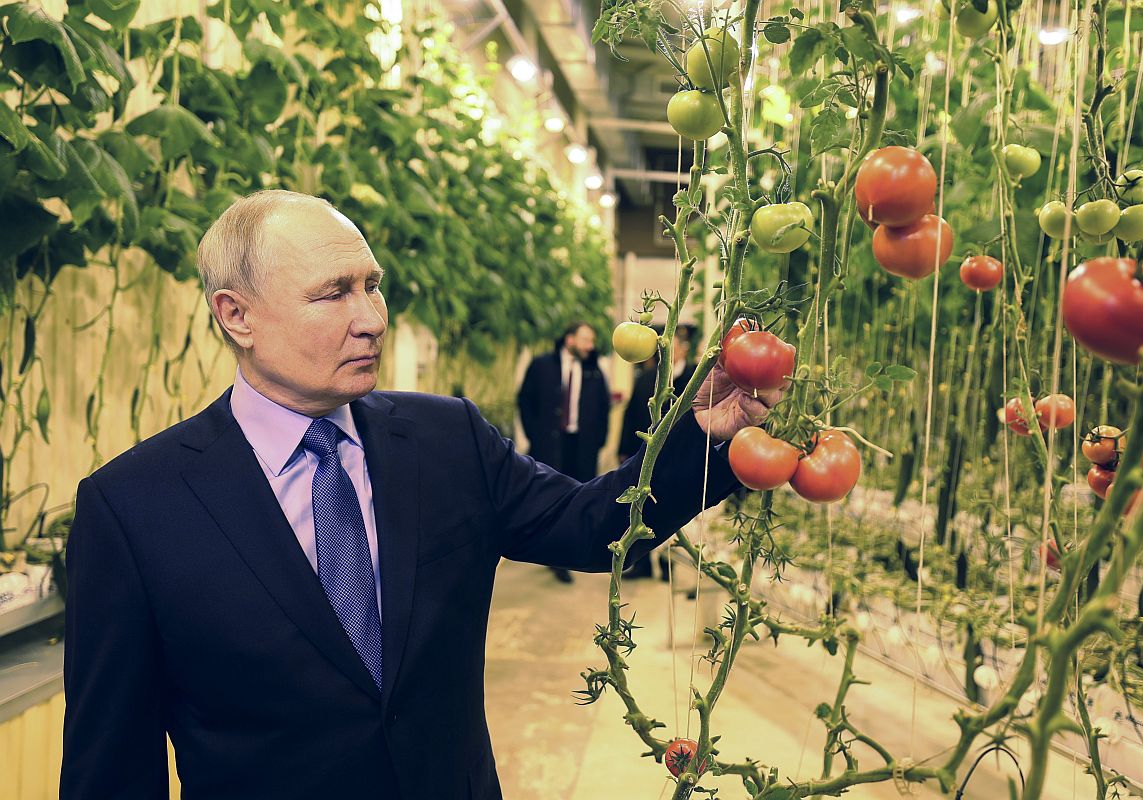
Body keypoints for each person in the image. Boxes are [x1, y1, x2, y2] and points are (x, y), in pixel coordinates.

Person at [61, 190, 780, 800]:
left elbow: (591, 525)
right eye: (333, 294)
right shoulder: (135, 509)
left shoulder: (445, 440)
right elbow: (111, 767)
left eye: (370, 285)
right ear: (236, 315)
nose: (371, 317)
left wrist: (701, 436)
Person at [517, 322, 611, 582]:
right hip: (549, 444)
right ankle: (549, 552)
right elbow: (525, 400)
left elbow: (603, 408)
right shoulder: (541, 365)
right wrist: (533, 434)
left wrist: (598, 440)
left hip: (581, 446)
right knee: (549, 498)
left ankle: (565, 553)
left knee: (578, 497)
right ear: (570, 339)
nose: (590, 346)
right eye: (585, 340)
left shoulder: (594, 371)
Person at [619, 324, 696, 581]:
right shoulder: (646, 378)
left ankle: (667, 566)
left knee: (674, 509)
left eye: (674, 344)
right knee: (641, 507)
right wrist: (623, 450)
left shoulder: (697, 377)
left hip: (682, 457)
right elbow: (630, 416)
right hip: (645, 457)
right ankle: (640, 563)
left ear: (684, 347)